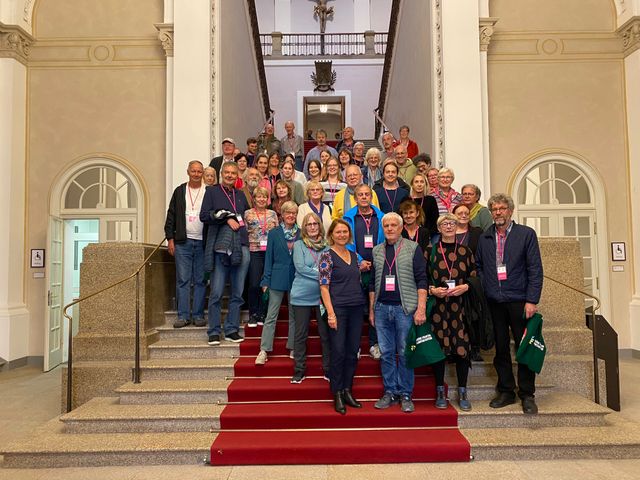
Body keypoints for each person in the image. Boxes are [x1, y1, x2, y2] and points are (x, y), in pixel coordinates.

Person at [475, 193, 543, 415]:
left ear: (510, 211)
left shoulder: (526, 235)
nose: (498, 213)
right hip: (495, 301)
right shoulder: (485, 238)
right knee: (501, 348)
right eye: (494, 209)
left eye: (502, 208)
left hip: (520, 301)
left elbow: (535, 269)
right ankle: (506, 390)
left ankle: (527, 394)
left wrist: (532, 300)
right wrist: (487, 287)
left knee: (523, 348)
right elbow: (479, 266)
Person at [370, 212, 428, 413]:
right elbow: (372, 283)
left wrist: (421, 308)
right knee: (386, 353)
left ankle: (405, 393)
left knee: (404, 353)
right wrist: (371, 310)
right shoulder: (377, 251)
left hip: (405, 309)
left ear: (401, 227)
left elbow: (422, 279)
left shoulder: (413, 248)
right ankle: (390, 391)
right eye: (386, 226)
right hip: (381, 309)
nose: (390, 229)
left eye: (394, 225)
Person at [428, 213, 476, 411]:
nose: (448, 226)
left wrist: (466, 287)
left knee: (462, 348)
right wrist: (432, 290)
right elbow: (422, 277)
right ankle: (440, 390)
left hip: (460, 307)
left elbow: (475, 276)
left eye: (452, 223)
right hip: (438, 307)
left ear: (457, 227)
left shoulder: (465, 251)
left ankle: (462, 390)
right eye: (444, 224)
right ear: (439, 229)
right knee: (439, 350)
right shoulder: (430, 251)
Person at [319, 220, 367, 414]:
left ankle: (348, 390)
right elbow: (323, 286)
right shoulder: (326, 256)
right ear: (331, 234)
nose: (342, 235)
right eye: (338, 232)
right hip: (337, 309)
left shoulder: (354, 256)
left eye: (345, 232)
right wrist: (330, 313)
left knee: (352, 351)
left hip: (356, 308)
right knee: (338, 351)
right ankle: (337, 392)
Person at [200, 162, 250, 345]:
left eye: (233, 173)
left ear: (237, 175)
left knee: (237, 292)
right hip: (221, 247)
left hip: (242, 245)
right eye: (227, 172)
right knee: (217, 291)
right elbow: (204, 216)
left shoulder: (241, 195)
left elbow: (246, 217)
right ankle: (214, 331)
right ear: (221, 173)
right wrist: (225, 218)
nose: (230, 175)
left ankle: (231, 329)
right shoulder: (212, 192)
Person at [342, 183, 385, 360]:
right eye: (361, 194)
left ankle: (375, 344)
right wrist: (359, 261)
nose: (364, 197)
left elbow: (387, 239)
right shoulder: (348, 217)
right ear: (355, 197)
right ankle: (355, 345)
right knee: (356, 308)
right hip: (356, 268)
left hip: (379, 267)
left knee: (377, 307)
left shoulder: (381, 217)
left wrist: (375, 261)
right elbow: (345, 241)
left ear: (371, 196)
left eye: (367, 194)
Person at [255, 201, 300, 365]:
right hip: (276, 278)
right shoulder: (274, 233)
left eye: (293, 213)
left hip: (296, 279)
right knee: (271, 315)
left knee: (294, 315)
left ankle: (293, 346)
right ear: (282, 214)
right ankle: (264, 349)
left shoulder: (301, 233)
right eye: (288, 213)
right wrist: (265, 279)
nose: (290, 216)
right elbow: (268, 258)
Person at [164, 160, 207, 329]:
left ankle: (197, 315)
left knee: (200, 280)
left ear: (202, 173)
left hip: (203, 242)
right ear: (188, 172)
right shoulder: (179, 191)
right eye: (193, 171)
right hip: (183, 242)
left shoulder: (208, 191)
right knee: (183, 280)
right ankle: (182, 316)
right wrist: (170, 239)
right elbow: (171, 216)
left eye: (199, 172)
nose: (196, 174)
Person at [290, 213, 331, 383]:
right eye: (309, 224)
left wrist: (322, 273)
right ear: (304, 228)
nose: (312, 227)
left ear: (320, 225)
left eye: (315, 224)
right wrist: (322, 274)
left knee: (325, 335)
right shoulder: (299, 245)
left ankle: (328, 369)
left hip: (322, 298)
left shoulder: (328, 246)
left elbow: (330, 267)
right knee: (300, 335)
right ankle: (299, 370)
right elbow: (300, 268)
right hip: (301, 297)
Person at [244, 187, 279, 327]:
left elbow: (276, 233)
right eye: (258, 196)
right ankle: (253, 313)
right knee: (254, 283)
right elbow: (244, 232)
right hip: (253, 251)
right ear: (254, 198)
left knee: (267, 284)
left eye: (264, 197)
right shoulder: (248, 213)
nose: (261, 199)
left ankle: (263, 313)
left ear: (268, 199)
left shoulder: (272, 214)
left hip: (270, 253)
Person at [409, 173, 439, 238]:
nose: (419, 184)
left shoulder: (431, 200)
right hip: (409, 235)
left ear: (425, 184)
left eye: (422, 182)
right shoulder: (406, 200)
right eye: (416, 182)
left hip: (428, 235)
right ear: (412, 185)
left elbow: (435, 221)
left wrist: (427, 235)